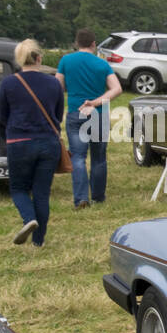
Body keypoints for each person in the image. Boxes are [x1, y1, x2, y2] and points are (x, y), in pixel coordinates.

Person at [0, 40, 64, 247]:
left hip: (19, 141)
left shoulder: (8, 83)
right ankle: (38, 241)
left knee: (18, 188)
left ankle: (29, 219)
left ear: (19, 60)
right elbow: (58, 115)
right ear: (39, 58)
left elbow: (1, 115)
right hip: (48, 143)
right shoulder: (54, 83)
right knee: (42, 193)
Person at [56, 29, 121, 209]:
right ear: (94, 44)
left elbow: (57, 86)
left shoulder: (66, 61)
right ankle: (99, 196)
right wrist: (96, 102)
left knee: (78, 157)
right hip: (99, 114)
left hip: (76, 113)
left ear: (77, 44)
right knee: (99, 158)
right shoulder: (102, 64)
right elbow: (117, 89)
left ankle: (81, 198)